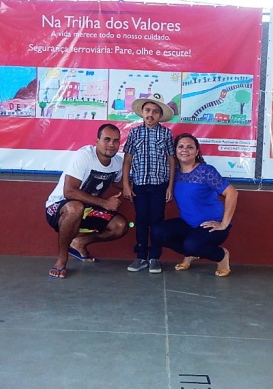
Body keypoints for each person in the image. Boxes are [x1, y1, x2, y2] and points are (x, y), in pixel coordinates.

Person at [45, 123, 128, 279]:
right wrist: (105, 203)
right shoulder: (84, 156)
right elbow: (69, 191)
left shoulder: (117, 162)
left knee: (120, 226)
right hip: (59, 208)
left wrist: (143, 187)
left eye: (116, 141)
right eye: (107, 139)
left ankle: (79, 243)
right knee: (75, 207)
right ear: (97, 141)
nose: (111, 144)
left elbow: (118, 182)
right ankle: (62, 259)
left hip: (88, 210)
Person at [151, 133, 237, 277]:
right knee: (158, 232)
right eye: (181, 146)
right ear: (175, 151)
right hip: (188, 224)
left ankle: (221, 256)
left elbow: (232, 193)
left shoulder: (206, 171)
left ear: (197, 152)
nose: (185, 150)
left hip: (212, 225)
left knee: (192, 245)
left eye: (190, 147)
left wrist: (223, 224)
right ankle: (190, 252)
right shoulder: (175, 173)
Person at [122, 92, 176, 274]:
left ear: (160, 115)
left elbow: (171, 160)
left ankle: (154, 257)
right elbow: (127, 159)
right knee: (141, 220)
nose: (150, 114)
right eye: (147, 110)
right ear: (142, 112)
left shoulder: (166, 134)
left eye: (155, 111)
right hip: (139, 185)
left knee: (157, 221)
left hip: (159, 185)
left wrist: (170, 186)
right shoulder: (134, 133)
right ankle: (141, 256)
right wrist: (126, 184)